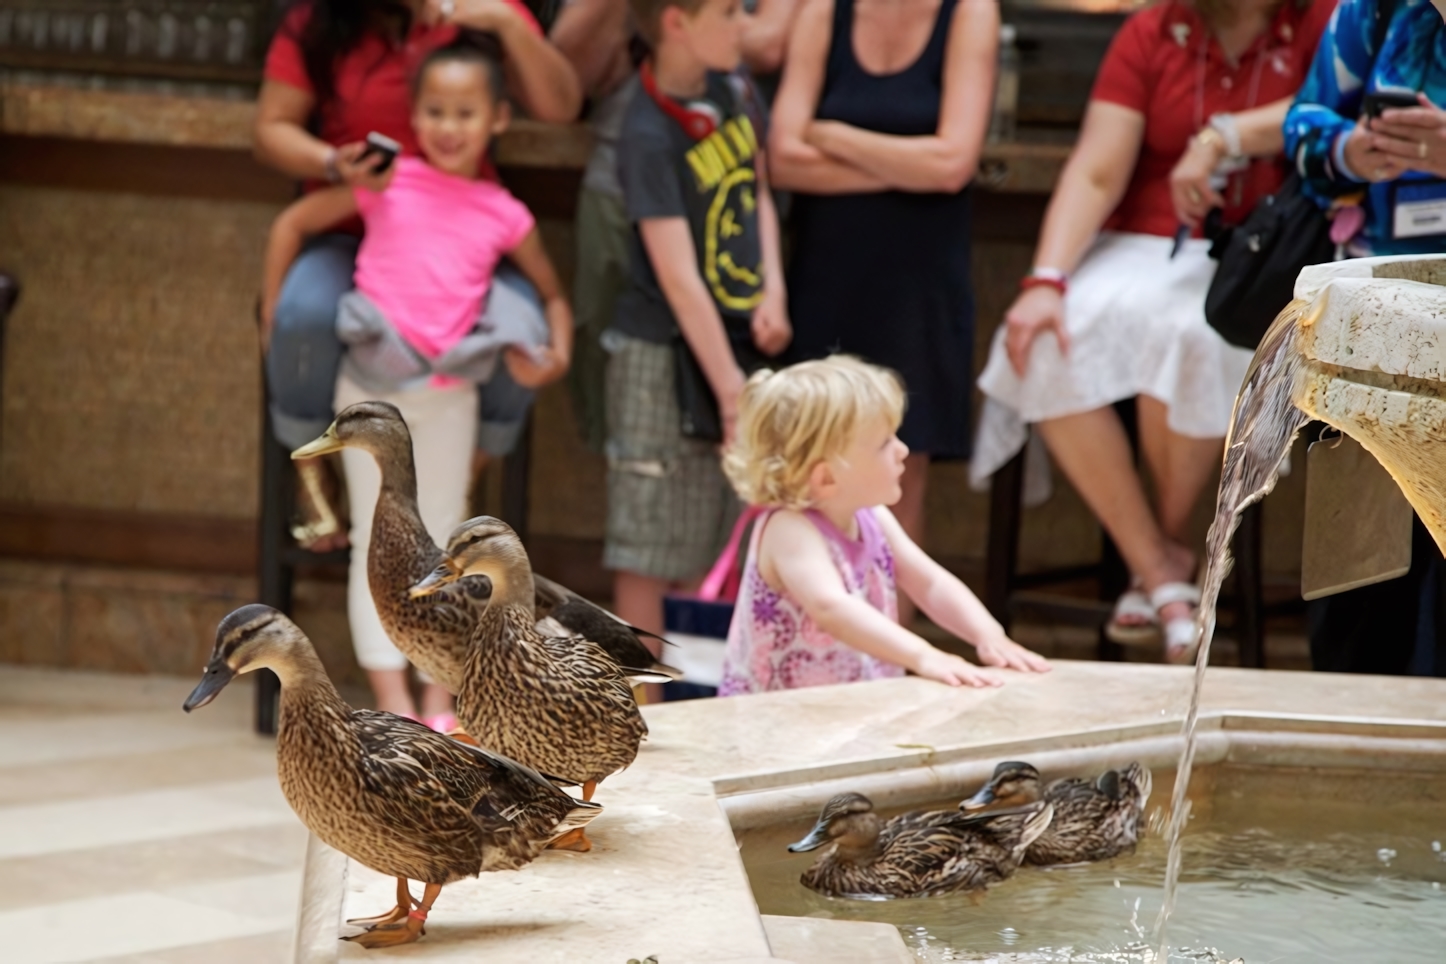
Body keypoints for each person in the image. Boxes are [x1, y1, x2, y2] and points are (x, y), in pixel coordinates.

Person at [970, 0, 1334, 664]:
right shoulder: (1153, 27)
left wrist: (1220, 135)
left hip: (1256, 256)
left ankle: (1153, 566)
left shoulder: (1324, 20)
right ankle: (1163, 567)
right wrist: (1045, 278)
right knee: (1043, 338)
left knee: (1192, 335)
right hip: (1141, 242)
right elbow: (1096, 168)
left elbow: (1333, 114)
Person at [261, 39, 574, 724]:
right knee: (375, 556)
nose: (449, 125)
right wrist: (272, 321)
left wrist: (555, 355)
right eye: (434, 110)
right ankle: (392, 700)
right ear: (413, 116)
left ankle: (441, 695)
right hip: (370, 393)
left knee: (451, 543)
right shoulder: (387, 184)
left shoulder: (504, 211)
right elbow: (293, 223)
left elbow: (552, 296)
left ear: (498, 120)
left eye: (466, 111)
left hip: (449, 397)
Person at [255, 0, 581, 550]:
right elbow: (270, 129)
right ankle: (316, 470)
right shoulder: (316, 23)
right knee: (303, 314)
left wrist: (501, 20)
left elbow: (563, 105)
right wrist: (333, 163)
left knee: (524, 325)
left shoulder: (479, 12)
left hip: (459, 238)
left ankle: (468, 470)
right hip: (349, 225)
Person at [769, 0, 998, 571]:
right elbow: (782, 157)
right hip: (825, 272)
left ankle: (889, 652)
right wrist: (906, 169)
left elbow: (952, 164)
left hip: (917, 284)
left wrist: (834, 135)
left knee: (897, 474)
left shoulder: (970, 11)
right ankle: (808, 641)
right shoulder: (825, 10)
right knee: (805, 463)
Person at [607, 0, 791, 678]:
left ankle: (707, 700)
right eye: (729, 11)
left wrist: (772, 287)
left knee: (719, 535)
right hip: (663, 352)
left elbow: (759, 189)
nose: (746, 24)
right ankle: (646, 710)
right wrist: (732, 397)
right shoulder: (646, 129)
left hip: (737, 344)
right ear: (677, 22)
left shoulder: (733, 88)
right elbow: (678, 276)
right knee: (648, 540)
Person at [717, 357, 1050, 694]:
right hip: (773, 729)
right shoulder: (789, 530)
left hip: (844, 713)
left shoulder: (871, 516)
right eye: (884, 443)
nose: (902, 451)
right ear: (826, 477)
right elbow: (830, 606)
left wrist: (989, 635)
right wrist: (922, 656)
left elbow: (930, 583)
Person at [1284, 0, 1446, 676]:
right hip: (1377, 322)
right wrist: (1351, 149)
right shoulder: (1381, 8)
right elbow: (1303, 123)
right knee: (1358, 604)